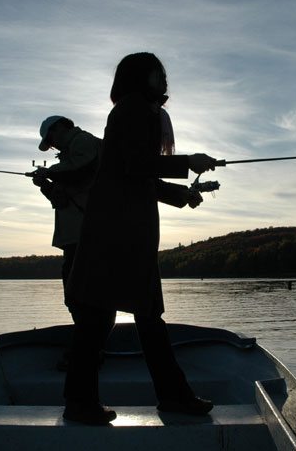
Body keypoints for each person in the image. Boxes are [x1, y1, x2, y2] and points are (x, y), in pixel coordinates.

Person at [62, 52, 217, 425]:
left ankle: (167, 396)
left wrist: (182, 194)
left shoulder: (136, 109)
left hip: (122, 229)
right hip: (119, 232)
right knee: (112, 318)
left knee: (132, 317)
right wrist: (188, 162)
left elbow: (131, 173)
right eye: (157, 73)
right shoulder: (134, 109)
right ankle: (90, 402)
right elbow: (135, 166)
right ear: (140, 77)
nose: (164, 80)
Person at [33, 116, 102, 292]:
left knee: (83, 287)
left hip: (88, 230)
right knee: (74, 286)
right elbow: (63, 198)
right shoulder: (67, 158)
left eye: (50, 140)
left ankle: (92, 319)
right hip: (74, 233)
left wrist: (50, 172)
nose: (53, 145)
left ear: (61, 127)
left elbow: (80, 172)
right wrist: (45, 185)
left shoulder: (82, 140)